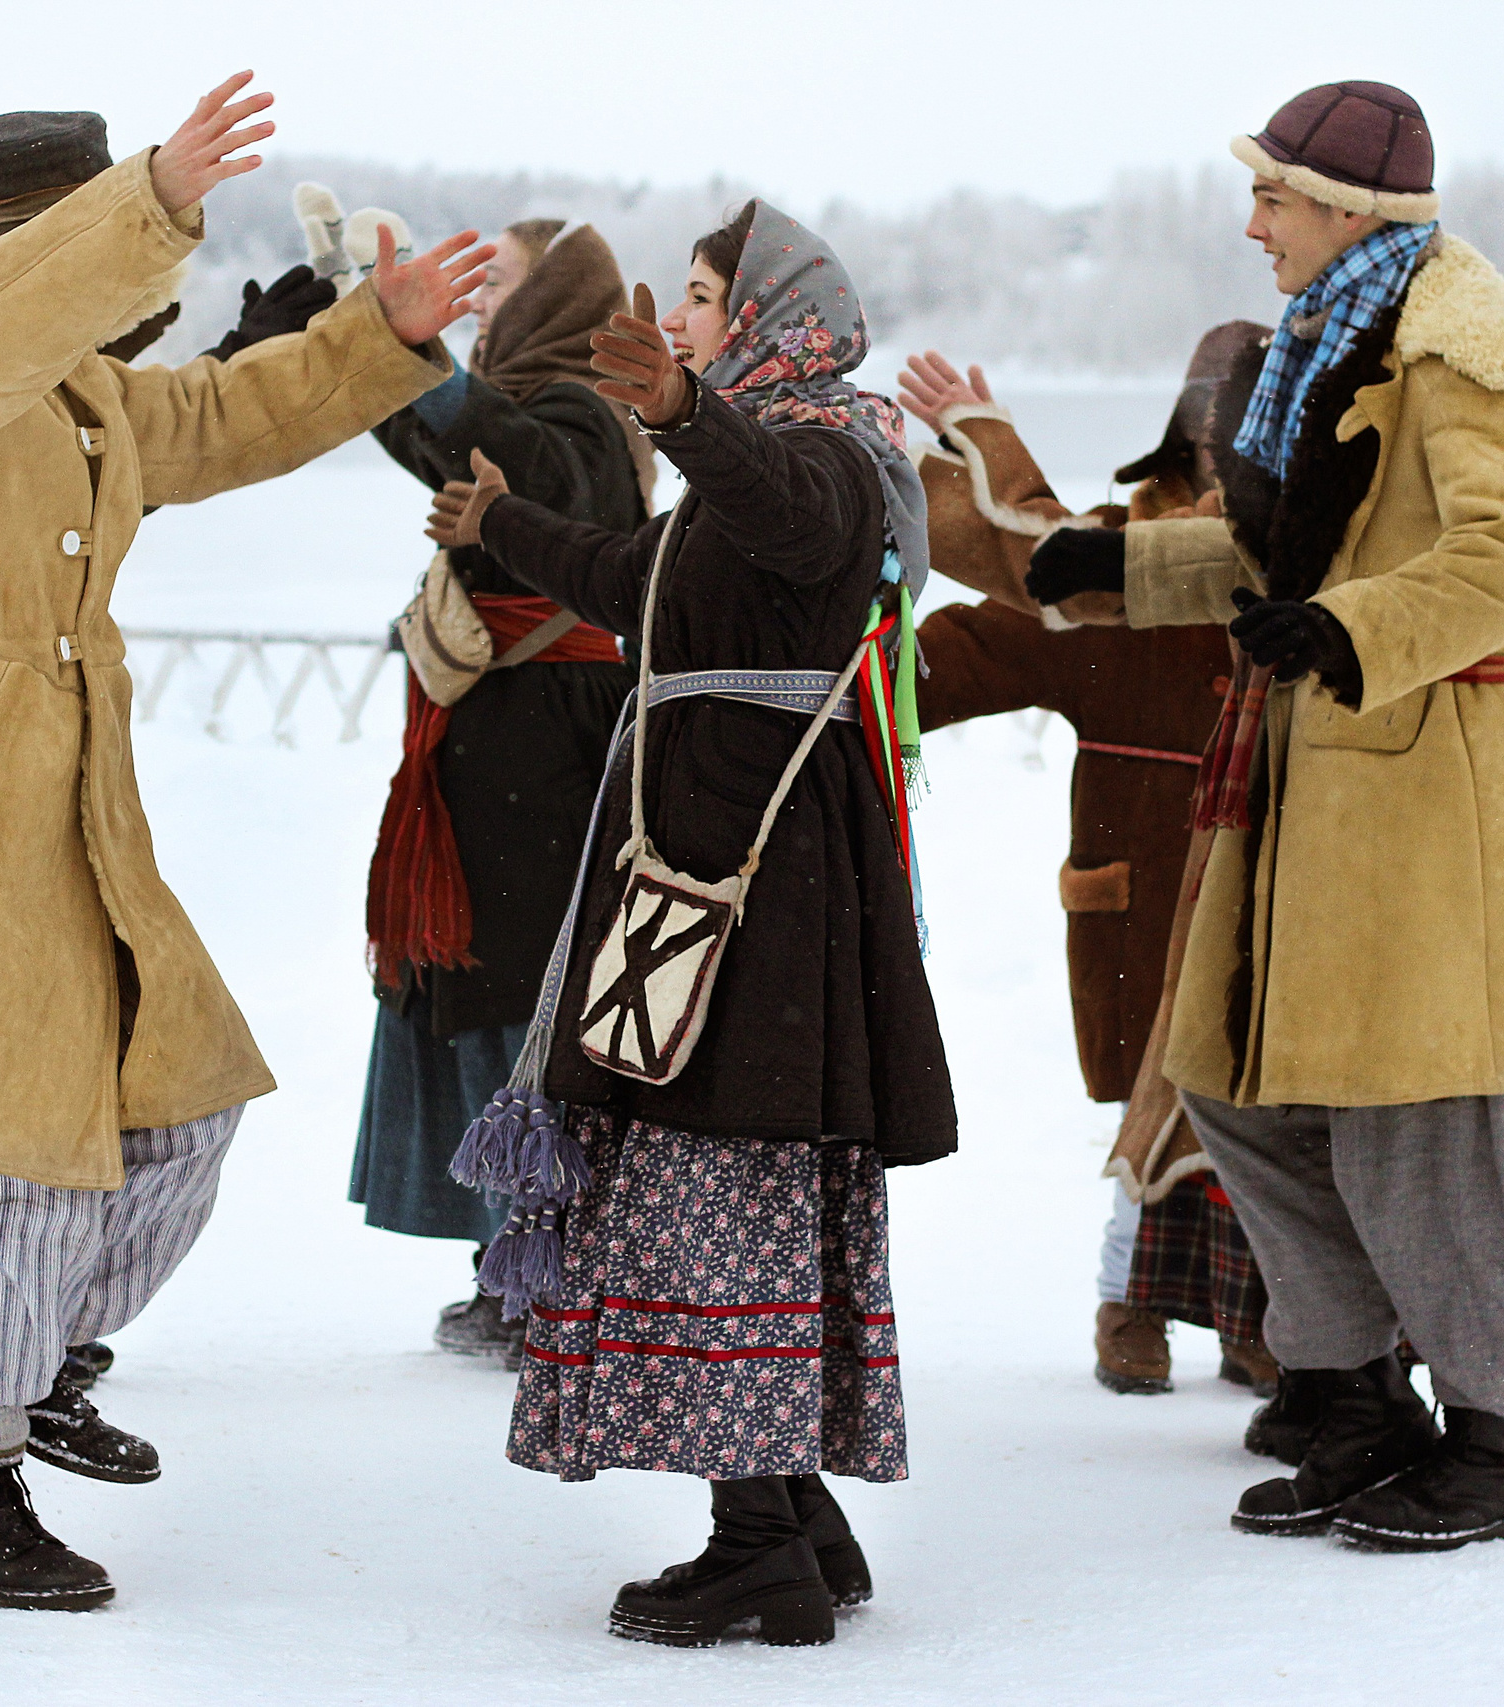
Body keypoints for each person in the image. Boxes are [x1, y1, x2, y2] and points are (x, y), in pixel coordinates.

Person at [0, 81, 490, 1612]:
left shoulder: (83, 389)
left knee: (174, 1106)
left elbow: (225, 414)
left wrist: (379, 334)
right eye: (101, 227)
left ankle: (17, 1364)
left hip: (73, 791)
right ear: (33, 238)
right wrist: (150, 196)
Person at [1025, 80, 1504, 1552]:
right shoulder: (1325, 339)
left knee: (1411, 1118)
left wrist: (1352, 631)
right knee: (1240, 1082)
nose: (1255, 226)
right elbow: (1268, 551)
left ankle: (1487, 1438)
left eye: (1273, 199)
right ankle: (1354, 1393)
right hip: (1313, 779)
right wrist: (1104, 568)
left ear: (1347, 209)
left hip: (1420, 783)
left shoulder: (1464, 339)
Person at [431, 200, 956, 1648]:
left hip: (756, 901)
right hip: (716, 884)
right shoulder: (749, 471)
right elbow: (634, 580)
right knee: (738, 1189)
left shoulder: (833, 457)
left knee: (720, 1183)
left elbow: (787, 510)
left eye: (709, 298)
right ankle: (791, 1511)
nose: (685, 317)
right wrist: (503, 524)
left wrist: (684, 411)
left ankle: (754, 1544)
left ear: (774, 320)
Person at [897, 328, 1272, 1398]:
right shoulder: (1115, 558)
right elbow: (974, 647)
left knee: (1258, 1108)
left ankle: (1258, 1318)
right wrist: (835, 682)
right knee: (1154, 1109)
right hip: (1141, 887)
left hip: (1268, 882)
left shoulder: (1290, 550)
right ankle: (1131, 1304)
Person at [348, 217, 647, 1363]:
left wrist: (415, 359)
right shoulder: (538, 404)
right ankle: (513, 1263)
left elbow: (496, 451)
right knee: (496, 1003)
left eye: (501, 284)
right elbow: (433, 433)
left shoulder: (582, 416)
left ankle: (545, 1277)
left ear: (555, 302)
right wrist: (357, 337)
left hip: (543, 755)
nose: (481, 303)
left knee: (527, 1012)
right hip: (507, 754)